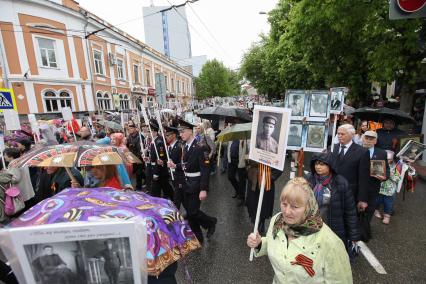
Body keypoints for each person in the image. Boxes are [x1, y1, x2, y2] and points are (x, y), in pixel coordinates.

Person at [247, 178, 353, 283]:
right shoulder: (277, 221)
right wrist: (259, 243)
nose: (287, 212)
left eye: (294, 207)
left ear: (308, 207)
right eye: (284, 204)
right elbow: (275, 243)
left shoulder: (330, 242)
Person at [168, 118, 217, 244]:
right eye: (180, 132)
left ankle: (210, 221)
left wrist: (203, 189)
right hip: (185, 183)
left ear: (190, 131)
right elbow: (186, 164)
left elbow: (205, 170)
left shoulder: (201, 146)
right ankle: (198, 237)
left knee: (193, 212)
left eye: (183, 131)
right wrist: (175, 166)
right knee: (190, 213)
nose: (181, 134)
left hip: (196, 184)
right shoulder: (185, 146)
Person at [306, 152, 360, 247]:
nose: (318, 167)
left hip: (333, 228)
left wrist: (353, 236)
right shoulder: (308, 179)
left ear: (330, 165)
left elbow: (350, 211)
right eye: (316, 163)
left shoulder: (341, 183)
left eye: (322, 164)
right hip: (311, 225)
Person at [359, 131, 389, 236]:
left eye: (371, 138)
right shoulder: (356, 150)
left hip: (373, 186)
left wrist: (385, 177)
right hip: (357, 186)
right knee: (356, 209)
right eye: (366, 138)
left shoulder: (382, 153)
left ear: (375, 141)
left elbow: (387, 170)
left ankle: (365, 230)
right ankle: (355, 230)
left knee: (370, 209)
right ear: (362, 138)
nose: (368, 140)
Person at [331, 124, 367, 200]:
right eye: (338, 134)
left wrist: (362, 199)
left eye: (342, 134)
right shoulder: (332, 148)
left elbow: (363, 177)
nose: (339, 136)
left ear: (352, 135)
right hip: (332, 189)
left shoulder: (362, 151)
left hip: (350, 192)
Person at [246, 161, 282, 234]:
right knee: (252, 202)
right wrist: (248, 168)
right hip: (254, 178)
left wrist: (270, 177)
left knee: (264, 204)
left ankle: (262, 221)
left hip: (267, 180)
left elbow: (279, 165)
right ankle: (255, 219)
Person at [375, 150, 401, 225]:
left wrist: (390, 174)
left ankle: (387, 216)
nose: (387, 160)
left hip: (390, 190)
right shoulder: (379, 164)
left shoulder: (395, 167)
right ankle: (376, 211)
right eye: (386, 159)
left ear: (392, 159)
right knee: (377, 201)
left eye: (389, 159)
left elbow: (398, 178)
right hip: (380, 188)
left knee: (388, 203)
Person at [150, 119, 174, 199]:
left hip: (160, 170)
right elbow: (153, 157)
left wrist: (156, 173)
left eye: (150, 131)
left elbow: (160, 158)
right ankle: (174, 199)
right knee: (165, 187)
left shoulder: (159, 142)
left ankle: (174, 199)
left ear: (154, 131)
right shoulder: (153, 141)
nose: (148, 133)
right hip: (155, 168)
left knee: (160, 189)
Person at [164, 125, 185, 209]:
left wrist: (175, 165)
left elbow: (183, 163)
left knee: (177, 200)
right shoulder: (169, 147)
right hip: (172, 176)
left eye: (168, 135)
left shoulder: (180, 146)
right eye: (165, 135)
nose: (166, 137)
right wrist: (163, 162)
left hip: (180, 176)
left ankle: (174, 219)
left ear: (174, 135)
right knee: (184, 200)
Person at [227, 139, 248, 206]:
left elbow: (248, 150)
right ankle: (238, 190)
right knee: (230, 177)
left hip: (241, 161)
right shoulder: (231, 139)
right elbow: (228, 149)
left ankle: (242, 197)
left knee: (242, 180)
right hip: (232, 160)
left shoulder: (244, 138)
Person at [126, 120, 145, 191]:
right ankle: (146, 178)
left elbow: (140, 149)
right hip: (132, 157)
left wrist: (138, 158)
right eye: (128, 129)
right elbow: (128, 146)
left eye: (131, 128)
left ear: (135, 128)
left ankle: (138, 187)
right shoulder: (130, 136)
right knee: (137, 171)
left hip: (138, 157)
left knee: (138, 173)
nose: (129, 130)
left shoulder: (139, 137)